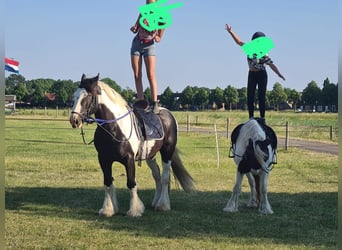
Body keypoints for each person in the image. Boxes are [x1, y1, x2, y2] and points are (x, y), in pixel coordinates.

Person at [225, 24, 285, 124]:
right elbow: (239, 42)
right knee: (250, 96)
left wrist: (279, 74)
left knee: (261, 96)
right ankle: (251, 117)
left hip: (262, 74)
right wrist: (230, 32)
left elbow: (271, 64)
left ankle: (262, 118)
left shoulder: (264, 53)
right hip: (252, 74)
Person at [130, 0, 165, 113]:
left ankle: (155, 102)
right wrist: (134, 28)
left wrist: (159, 37)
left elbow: (160, 35)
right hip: (137, 44)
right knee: (137, 74)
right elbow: (136, 27)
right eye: (147, 4)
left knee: (150, 74)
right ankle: (141, 101)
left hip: (149, 46)